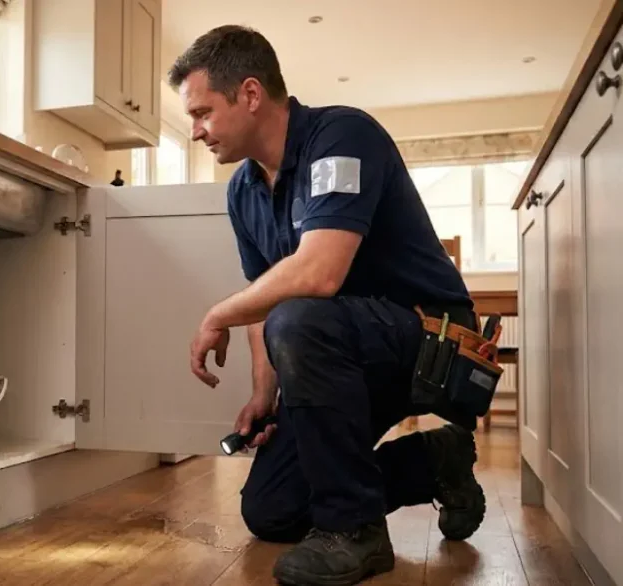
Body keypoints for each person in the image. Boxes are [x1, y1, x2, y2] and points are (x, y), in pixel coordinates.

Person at [169, 25, 487, 586]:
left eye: (202, 113)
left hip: (431, 339)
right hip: (341, 342)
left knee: (301, 318)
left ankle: (355, 530)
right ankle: (435, 462)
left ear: (249, 94)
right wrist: (264, 397)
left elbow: (318, 273)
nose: (195, 131)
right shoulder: (242, 192)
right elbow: (266, 303)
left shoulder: (342, 135)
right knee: (272, 511)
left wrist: (216, 313)